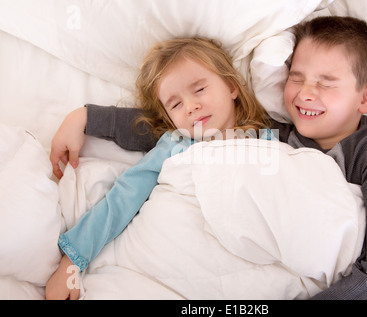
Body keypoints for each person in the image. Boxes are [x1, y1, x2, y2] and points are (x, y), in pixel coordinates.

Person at [49, 16, 367, 299]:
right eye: (296, 78)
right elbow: (178, 131)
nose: (305, 94)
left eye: (326, 83)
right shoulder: (273, 134)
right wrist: (86, 117)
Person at [45, 37, 274, 300]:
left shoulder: (271, 141)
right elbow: (124, 196)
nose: (190, 106)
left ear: (232, 86)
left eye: (199, 90)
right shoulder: (176, 144)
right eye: (175, 104)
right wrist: (73, 260)